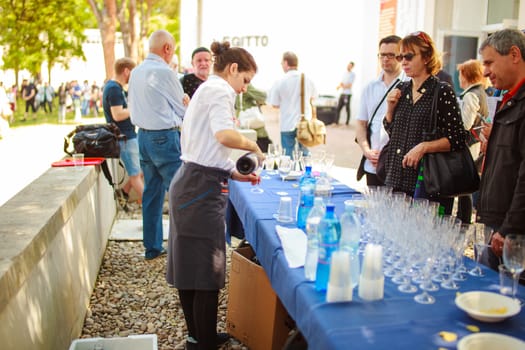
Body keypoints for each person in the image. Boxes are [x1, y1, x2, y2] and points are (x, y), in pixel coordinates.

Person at [166, 40, 262, 350]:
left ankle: (198, 335)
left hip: (192, 180)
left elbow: (207, 146)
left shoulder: (206, 89)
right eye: (245, 80)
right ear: (233, 69)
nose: (244, 89)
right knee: (206, 267)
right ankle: (203, 342)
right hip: (199, 187)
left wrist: (234, 172)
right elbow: (223, 135)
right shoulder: (221, 91)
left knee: (189, 266)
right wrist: (253, 145)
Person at [383, 31, 466, 214]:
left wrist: (424, 147)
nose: (403, 61)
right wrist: (390, 109)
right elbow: (392, 131)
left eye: (409, 56)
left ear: (427, 57)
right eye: (400, 56)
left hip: (426, 183)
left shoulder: (442, 91)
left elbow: (458, 138)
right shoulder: (401, 89)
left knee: (422, 240)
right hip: (395, 178)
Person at [128, 30, 187, 260]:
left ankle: (152, 247)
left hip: (142, 136)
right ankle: (180, 247)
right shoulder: (165, 72)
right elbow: (182, 110)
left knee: (152, 193)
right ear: (167, 49)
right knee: (179, 192)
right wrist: (187, 102)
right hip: (164, 137)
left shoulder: (136, 72)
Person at [476, 28, 525, 275]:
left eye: (489, 62)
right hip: (500, 223)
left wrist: (510, 228)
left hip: (512, 232)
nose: (485, 72)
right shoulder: (509, 99)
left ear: (514, 54)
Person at [355, 35, 406, 186]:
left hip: (398, 164)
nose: (386, 59)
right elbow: (361, 123)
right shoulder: (370, 88)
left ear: (401, 56)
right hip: (373, 163)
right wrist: (366, 151)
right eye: (382, 55)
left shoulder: (409, 85)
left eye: (391, 55)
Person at [102, 57, 144, 209]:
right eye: (134, 72)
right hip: (124, 138)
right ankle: (152, 206)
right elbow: (118, 115)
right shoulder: (113, 88)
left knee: (140, 172)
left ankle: (123, 194)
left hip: (128, 136)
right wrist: (135, 108)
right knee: (135, 175)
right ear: (126, 71)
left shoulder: (115, 87)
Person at [455, 59, 489, 223]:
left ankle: (464, 220)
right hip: (477, 142)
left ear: (466, 75)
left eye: (460, 74)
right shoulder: (481, 92)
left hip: (470, 144)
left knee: (464, 185)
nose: (459, 78)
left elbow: (465, 124)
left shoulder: (470, 95)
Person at [268, 51, 318, 156]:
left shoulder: (280, 81)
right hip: (305, 122)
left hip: (287, 123)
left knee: (287, 154)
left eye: (282, 63)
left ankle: (289, 171)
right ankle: (305, 171)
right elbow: (313, 98)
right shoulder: (308, 79)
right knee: (304, 154)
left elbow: (274, 104)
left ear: (286, 63)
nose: (281, 65)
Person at [235, 83, 272, 152]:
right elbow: (264, 96)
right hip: (258, 134)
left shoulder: (233, 86)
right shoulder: (245, 85)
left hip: (245, 130)